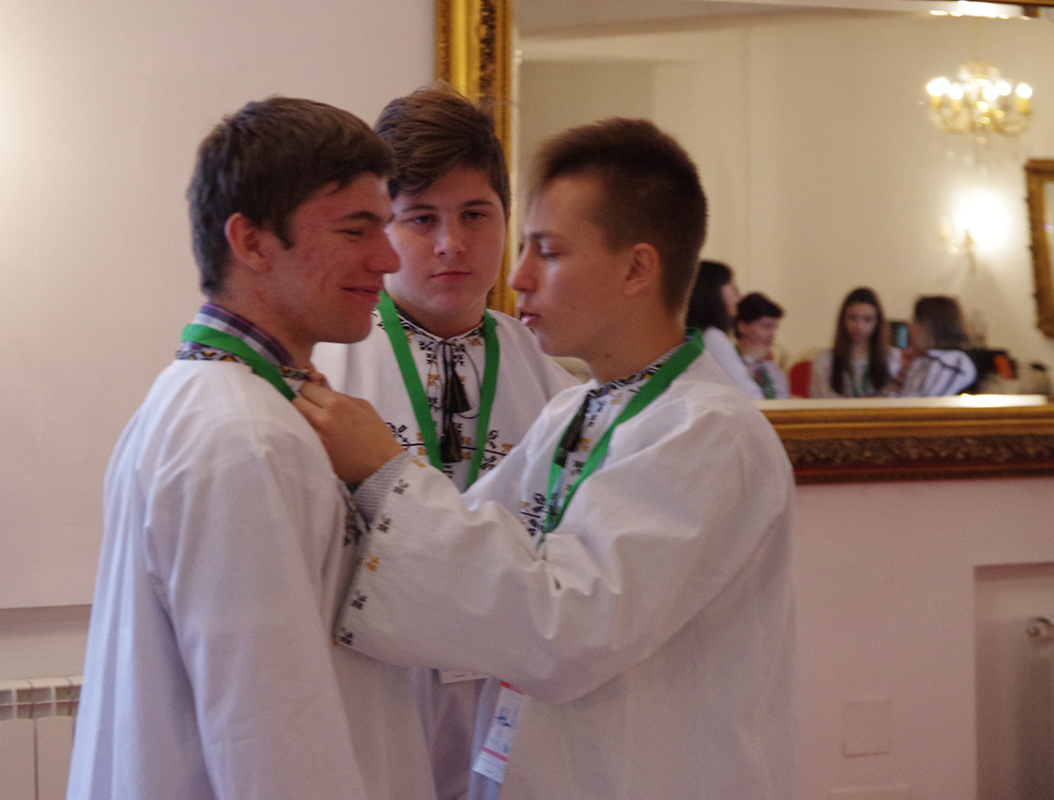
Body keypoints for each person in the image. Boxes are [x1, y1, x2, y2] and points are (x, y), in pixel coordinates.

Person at [297, 118, 796, 800]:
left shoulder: (707, 432)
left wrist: (386, 472)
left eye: (549, 251)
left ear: (637, 268)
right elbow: (474, 548)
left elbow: (567, 629)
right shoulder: (577, 410)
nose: (519, 276)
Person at [67, 97, 440, 800]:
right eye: (355, 229)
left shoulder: (210, 402)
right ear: (253, 242)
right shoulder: (244, 439)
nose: (387, 257)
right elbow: (272, 735)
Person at [312, 86, 578, 800]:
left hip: (507, 696)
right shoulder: (326, 375)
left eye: (475, 214)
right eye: (421, 218)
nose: (451, 244)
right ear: (380, 227)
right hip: (374, 690)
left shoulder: (556, 386)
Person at [685, 259, 764, 399]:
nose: (739, 297)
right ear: (712, 292)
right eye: (734, 289)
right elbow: (750, 396)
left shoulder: (690, 335)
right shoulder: (712, 337)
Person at [810, 287, 901, 398]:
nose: (859, 326)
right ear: (843, 320)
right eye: (853, 318)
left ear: (877, 323)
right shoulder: (825, 360)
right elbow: (820, 401)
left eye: (867, 319)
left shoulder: (893, 358)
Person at [890, 295, 977, 396]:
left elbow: (931, 401)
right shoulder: (923, 361)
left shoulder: (953, 361)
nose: (911, 327)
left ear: (930, 326)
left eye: (916, 321)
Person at [735, 291, 791, 399]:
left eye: (774, 328)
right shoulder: (728, 363)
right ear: (742, 327)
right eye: (766, 326)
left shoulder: (775, 371)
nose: (772, 335)